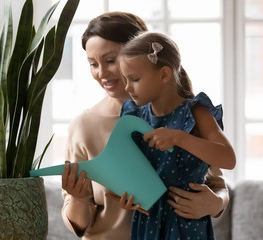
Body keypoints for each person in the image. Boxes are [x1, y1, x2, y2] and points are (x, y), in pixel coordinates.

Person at [61, 12, 230, 240]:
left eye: (111, 61)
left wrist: (215, 202)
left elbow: (216, 181)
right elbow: (78, 223)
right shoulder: (83, 126)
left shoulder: (183, 115)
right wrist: (79, 198)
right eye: (93, 64)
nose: (101, 73)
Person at [119, 31, 236, 239]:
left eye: (134, 79)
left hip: (188, 225)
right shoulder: (134, 116)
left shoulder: (196, 112)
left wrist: (179, 138)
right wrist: (125, 196)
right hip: (148, 224)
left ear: (164, 74)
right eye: (125, 80)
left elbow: (228, 158)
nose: (127, 88)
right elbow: (127, 173)